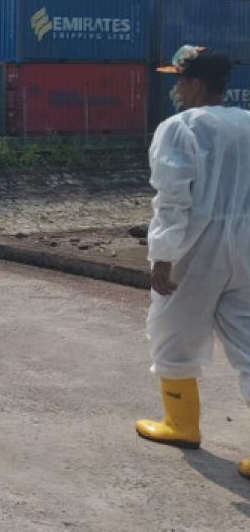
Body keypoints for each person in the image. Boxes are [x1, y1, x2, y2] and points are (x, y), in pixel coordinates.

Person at [135, 45, 250, 479]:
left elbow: (172, 200)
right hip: (248, 244)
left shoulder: (180, 129)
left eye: (180, 79)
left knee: (172, 331)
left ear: (197, 83)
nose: (176, 88)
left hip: (196, 248)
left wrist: (162, 257)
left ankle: (180, 424)